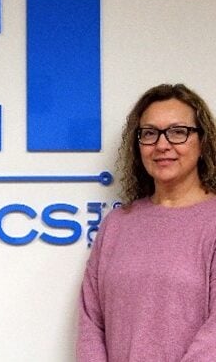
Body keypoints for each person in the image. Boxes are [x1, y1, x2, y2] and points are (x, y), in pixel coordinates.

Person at [77, 83, 216, 361]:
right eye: (150, 133)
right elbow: (91, 322)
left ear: (202, 142)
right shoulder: (117, 225)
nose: (162, 145)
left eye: (178, 132)